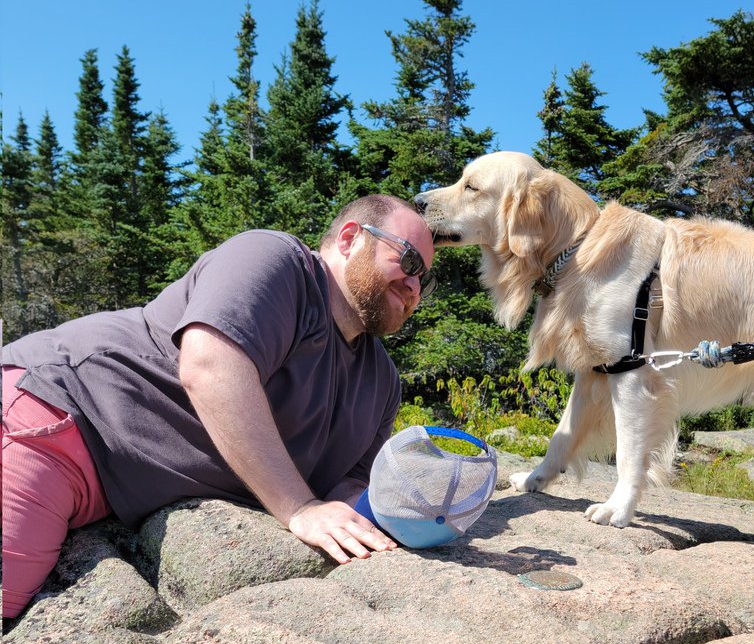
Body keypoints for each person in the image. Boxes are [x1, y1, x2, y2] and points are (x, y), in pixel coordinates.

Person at [1, 196, 435, 620]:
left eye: (425, 280)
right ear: (349, 238)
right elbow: (210, 366)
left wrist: (406, 518)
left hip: (117, 488)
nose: (414, 286)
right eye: (409, 261)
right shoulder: (277, 260)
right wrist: (300, 508)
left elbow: (351, 484)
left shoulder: (382, 381)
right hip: (63, 417)